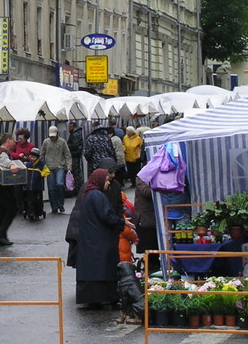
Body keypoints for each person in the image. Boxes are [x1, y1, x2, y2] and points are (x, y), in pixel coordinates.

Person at [65, 162, 125, 309]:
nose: (108, 182)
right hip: (100, 239)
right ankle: (107, 298)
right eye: (106, 180)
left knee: (91, 269)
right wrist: (120, 221)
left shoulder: (88, 194)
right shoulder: (98, 195)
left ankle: (93, 299)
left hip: (89, 238)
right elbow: (107, 216)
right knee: (104, 267)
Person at [0, 135, 23, 246]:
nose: (15, 143)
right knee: (12, 208)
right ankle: (0, 234)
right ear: (8, 141)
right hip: (1, 186)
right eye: (13, 141)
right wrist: (12, 164)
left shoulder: (1, 151)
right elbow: (4, 162)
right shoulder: (3, 152)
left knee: (1, 210)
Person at [40, 125, 72, 214]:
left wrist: (69, 165)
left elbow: (67, 154)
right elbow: (42, 154)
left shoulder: (62, 142)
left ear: (57, 134)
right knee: (51, 188)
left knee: (59, 184)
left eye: (54, 135)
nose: (52, 137)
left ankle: (60, 204)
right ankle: (54, 206)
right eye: (51, 136)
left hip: (60, 166)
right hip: (49, 167)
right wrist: (42, 164)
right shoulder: (46, 142)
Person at [132, 176, 159, 268]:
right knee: (149, 248)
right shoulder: (142, 178)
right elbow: (146, 192)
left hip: (151, 219)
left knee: (154, 249)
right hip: (145, 220)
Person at [22, 148, 46, 220]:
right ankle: (30, 212)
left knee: (38, 200)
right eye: (31, 157)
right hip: (29, 186)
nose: (32, 158)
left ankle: (38, 212)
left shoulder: (41, 165)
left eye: (34, 157)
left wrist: (42, 174)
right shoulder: (28, 165)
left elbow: (46, 171)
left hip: (37, 186)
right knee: (30, 200)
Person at [65, 122, 84, 198]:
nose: (69, 128)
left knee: (76, 173)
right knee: (77, 173)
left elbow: (74, 145)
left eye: (71, 126)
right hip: (76, 155)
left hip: (75, 156)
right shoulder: (76, 133)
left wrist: (68, 146)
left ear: (74, 127)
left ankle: (77, 189)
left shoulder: (75, 134)